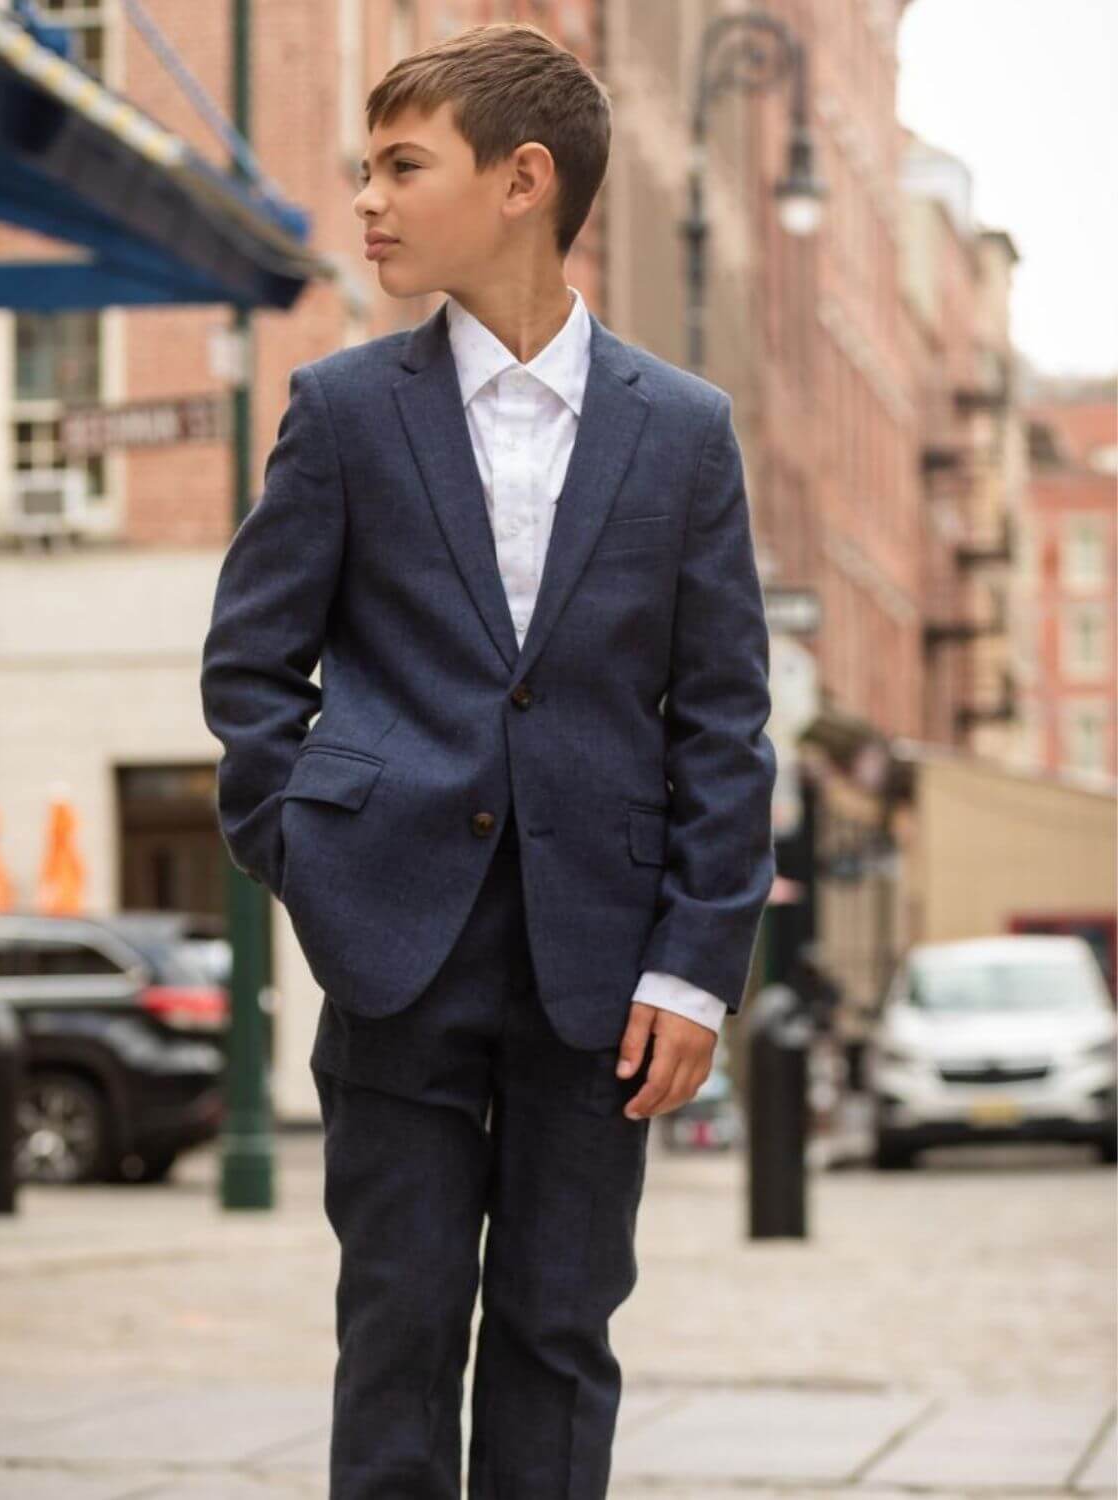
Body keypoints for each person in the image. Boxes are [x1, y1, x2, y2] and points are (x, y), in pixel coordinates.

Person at [199, 20, 777, 1499]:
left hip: (609, 972)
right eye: (366, 170)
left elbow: (723, 724)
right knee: (396, 1329)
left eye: (403, 167)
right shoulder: (341, 413)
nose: (369, 203)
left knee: (559, 1331)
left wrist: (696, 968)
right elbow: (250, 673)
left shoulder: (685, 434)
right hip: (395, 941)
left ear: (523, 181)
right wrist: (314, 861)